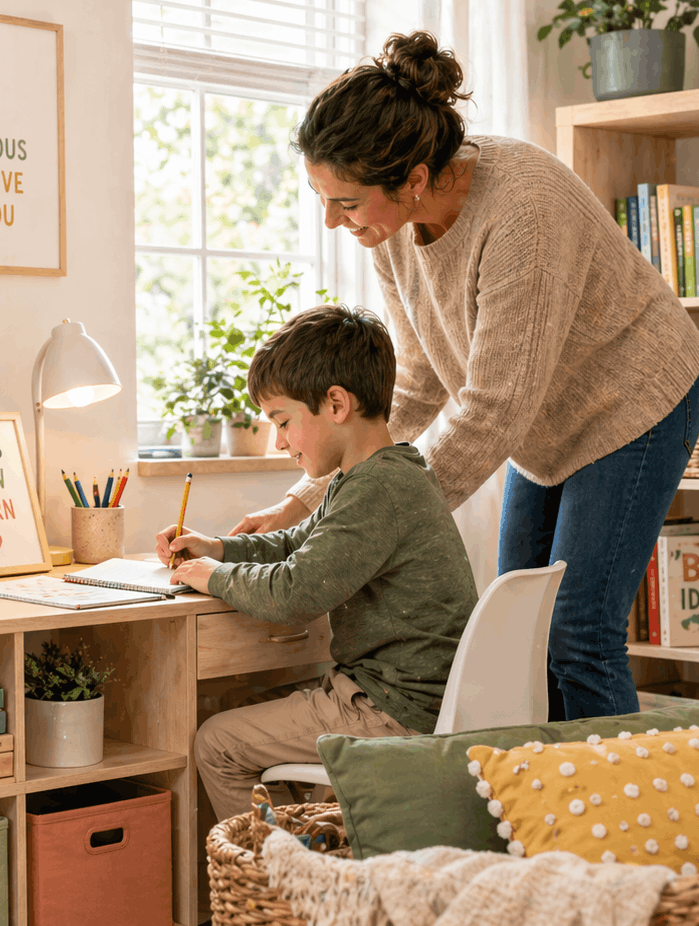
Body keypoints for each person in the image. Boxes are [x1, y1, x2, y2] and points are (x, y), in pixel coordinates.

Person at [231, 30, 699, 721]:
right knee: (510, 641)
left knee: (578, 633)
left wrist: (378, 509)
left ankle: (620, 822)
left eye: (347, 201)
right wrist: (306, 502)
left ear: (414, 179)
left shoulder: (523, 212)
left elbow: (491, 407)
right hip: (537, 422)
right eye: (321, 196)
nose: (331, 221)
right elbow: (419, 384)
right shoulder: (389, 232)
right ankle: (537, 806)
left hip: (633, 401)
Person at [158, 303, 477, 818]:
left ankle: (283, 888)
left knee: (217, 742)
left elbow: (296, 591)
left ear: (335, 404)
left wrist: (214, 576)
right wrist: (215, 547)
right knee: (235, 706)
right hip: (396, 696)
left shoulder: (378, 489)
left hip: (394, 711)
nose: (280, 442)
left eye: (282, 421)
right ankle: (306, 858)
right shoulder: (375, 476)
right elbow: (294, 545)